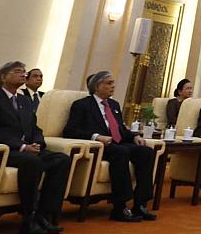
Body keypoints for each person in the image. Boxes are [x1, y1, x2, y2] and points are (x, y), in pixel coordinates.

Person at [0, 61, 71, 234]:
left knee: (61, 159)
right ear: (3, 77)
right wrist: (23, 146)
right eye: (18, 72)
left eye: (24, 72)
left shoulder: (24, 101)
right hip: (6, 151)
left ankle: (44, 214)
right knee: (32, 161)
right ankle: (28, 218)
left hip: (28, 149)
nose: (23, 75)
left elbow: (35, 128)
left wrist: (38, 143)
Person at [62, 71, 156, 223]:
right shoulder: (82, 105)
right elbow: (70, 131)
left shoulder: (114, 105)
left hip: (118, 143)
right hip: (100, 146)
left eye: (113, 83)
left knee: (146, 152)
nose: (113, 86)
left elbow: (121, 130)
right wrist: (96, 136)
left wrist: (134, 136)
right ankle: (120, 207)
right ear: (97, 86)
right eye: (109, 83)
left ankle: (141, 204)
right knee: (121, 152)